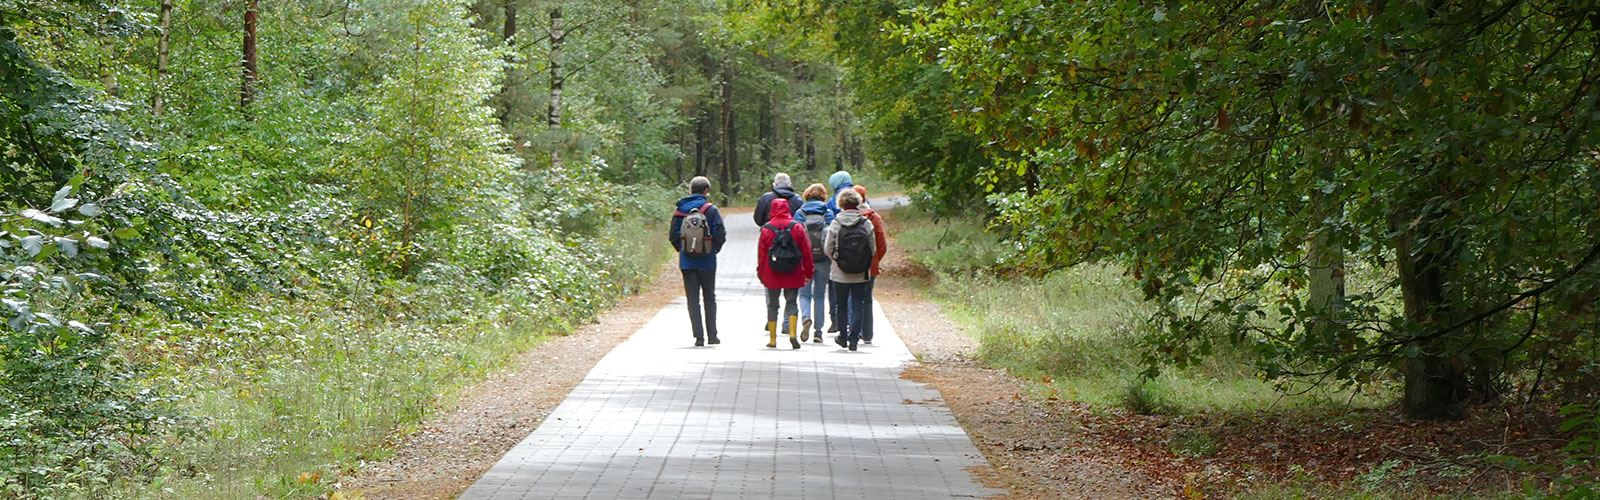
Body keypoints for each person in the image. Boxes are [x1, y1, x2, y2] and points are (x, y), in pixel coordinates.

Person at [669, 176, 727, 347]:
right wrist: (712, 249)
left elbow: (673, 235)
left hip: (687, 262)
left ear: (691, 190)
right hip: (707, 261)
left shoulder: (680, 211)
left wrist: (683, 250)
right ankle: (712, 335)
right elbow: (720, 233)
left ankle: (698, 337)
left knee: (692, 298)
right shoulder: (710, 210)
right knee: (709, 297)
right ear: (706, 191)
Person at [757, 198, 814, 349]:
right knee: (791, 302)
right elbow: (806, 252)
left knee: (772, 305)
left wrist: (761, 274)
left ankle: (773, 339)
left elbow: (761, 255)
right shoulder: (797, 227)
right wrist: (808, 272)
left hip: (772, 272)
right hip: (793, 271)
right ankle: (793, 334)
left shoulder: (766, 229)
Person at [825, 189, 875, 351]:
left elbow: (828, 248)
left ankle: (842, 336)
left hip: (840, 272)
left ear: (841, 204)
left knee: (841, 304)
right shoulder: (866, 223)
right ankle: (854, 338)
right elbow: (872, 249)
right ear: (857, 203)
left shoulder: (836, 223)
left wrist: (838, 260)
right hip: (861, 271)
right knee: (857, 303)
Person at [851, 185, 889, 344]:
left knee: (853, 297)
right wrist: (875, 260)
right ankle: (867, 334)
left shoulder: (845, 216)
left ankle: (853, 330)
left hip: (850, 264)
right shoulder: (874, 217)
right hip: (869, 264)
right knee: (867, 299)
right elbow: (882, 245)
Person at [796, 183, 833, 343]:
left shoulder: (800, 213)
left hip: (804, 260)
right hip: (824, 260)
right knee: (819, 295)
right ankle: (818, 332)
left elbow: (795, 236)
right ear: (823, 196)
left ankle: (805, 318)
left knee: (804, 294)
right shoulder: (828, 213)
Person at [824, 171, 854, 333]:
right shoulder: (859, 197)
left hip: (838, 251)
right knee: (855, 287)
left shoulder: (833, 201)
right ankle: (853, 319)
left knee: (835, 285)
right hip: (858, 250)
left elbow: (831, 226)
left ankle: (835, 319)